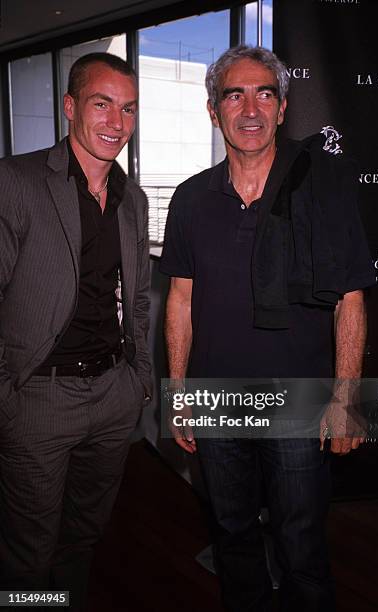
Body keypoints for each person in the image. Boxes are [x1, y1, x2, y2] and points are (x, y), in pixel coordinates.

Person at [160, 45, 375, 612]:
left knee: (302, 547)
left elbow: (350, 299)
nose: (250, 107)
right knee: (232, 538)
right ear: (214, 110)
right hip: (215, 400)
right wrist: (178, 391)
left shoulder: (325, 189)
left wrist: (348, 398)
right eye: (235, 94)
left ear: (282, 108)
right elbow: (180, 301)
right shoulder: (189, 199)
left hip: (300, 403)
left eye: (264, 93)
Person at [0, 53, 152, 610]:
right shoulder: (14, 181)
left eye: (128, 109)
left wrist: (138, 384)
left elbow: (136, 302)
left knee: (82, 538)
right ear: (70, 108)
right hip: (37, 397)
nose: (116, 121)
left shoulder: (132, 200)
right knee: (27, 553)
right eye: (102, 104)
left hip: (112, 397)